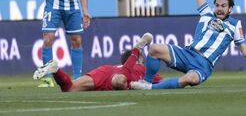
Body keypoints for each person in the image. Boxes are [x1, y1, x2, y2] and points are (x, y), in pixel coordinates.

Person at [33, 33, 162, 92]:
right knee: (121, 83)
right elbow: (163, 83)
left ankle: (56, 70)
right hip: (116, 77)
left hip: (104, 71)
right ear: (140, 59)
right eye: (143, 59)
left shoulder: (119, 66)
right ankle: (137, 48)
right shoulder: (142, 68)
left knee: (69, 88)